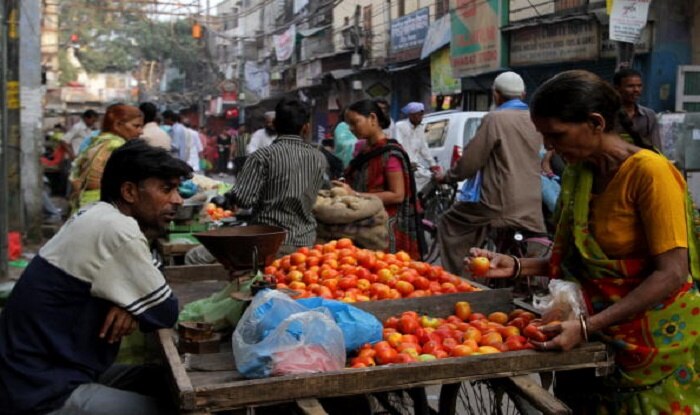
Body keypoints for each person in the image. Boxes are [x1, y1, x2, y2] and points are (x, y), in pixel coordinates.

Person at [468, 70, 700, 413]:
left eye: (556, 135)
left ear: (595, 123)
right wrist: (516, 265)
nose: (549, 147)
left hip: (653, 342)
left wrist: (587, 326)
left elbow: (671, 273)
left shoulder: (650, 174)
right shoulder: (579, 173)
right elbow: (577, 260)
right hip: (591, 334)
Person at [0, 140, 193, 415]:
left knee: (158, 378)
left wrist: (130, 304)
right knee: (178, 408)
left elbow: (152, 272)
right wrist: (138, 305)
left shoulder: (96, 214)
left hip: (53, 370)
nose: (178, 199)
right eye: (166, 189)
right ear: (128, 191)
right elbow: (164, 311)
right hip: (42, 390)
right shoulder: (116, 229)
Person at [185, 99, 327, 264]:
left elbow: (244, 200)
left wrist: (230, 197)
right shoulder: (319, 158)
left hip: (266, 241)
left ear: (274, 124)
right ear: (306, 128)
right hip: (305, 241)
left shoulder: (262, 156)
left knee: (193, 257)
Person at [435, 71, 545, 276]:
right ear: (523, 95)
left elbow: (471, 161)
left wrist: (449, 176)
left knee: (450, 221)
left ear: (496, 95)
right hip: (532, 201)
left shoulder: (495, 118)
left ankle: (460, 277)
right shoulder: (535, 119)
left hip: (498, 203)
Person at [334, 99, 423, 259]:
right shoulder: (362, 149)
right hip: (364, 224)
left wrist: (355, 194)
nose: (352, 129)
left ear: (373, 118)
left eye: (355, 122)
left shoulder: (390, 154)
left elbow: (397, 195)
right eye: (349, 125)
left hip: (384, 229)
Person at [70, 104, 144, 210]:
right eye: (136, 126)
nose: (141, 131)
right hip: (101, 204)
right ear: (118, 125)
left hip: (85, 202)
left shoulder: (100, 140)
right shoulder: (116, 145)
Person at [395, 102, 440, 192]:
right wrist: (407, 162)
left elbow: (424, 149)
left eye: (421, 114)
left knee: (430, 179)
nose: (420, 117)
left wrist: (433, 165)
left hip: (416, 167)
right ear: (411, 115)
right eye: (418, 115)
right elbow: (398, 146)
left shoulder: (420, 129)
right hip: (403, 166)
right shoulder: (400, 126)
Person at [613, 67, 661, 150]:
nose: (636, 90)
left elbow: (655, 146)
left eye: (639, 86)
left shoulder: (649, 115)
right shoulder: (607, 114)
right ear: (617, 88)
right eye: (630, 86)